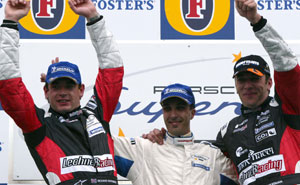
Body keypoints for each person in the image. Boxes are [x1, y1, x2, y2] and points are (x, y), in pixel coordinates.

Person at [144, 0, 300, 184]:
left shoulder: (286, 108)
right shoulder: (229, 130)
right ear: (235, 84)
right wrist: (165, 139)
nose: (247, 85)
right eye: (241, 80)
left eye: (254, 78)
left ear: (269, 82)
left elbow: (286, 63)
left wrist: (256, 21)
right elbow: (197, 155)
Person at [0, 0, 123, 185]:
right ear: (46, 91)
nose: (63, 93)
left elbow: (112, 72)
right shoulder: (39, 126)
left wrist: (93, 17)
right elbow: (9, 87)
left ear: (81, 90)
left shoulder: (96, 115)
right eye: (56, 87)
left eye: (69, 86)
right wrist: (10, 21)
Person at [113, 83, 238, 185]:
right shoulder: (144, 148)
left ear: (192, 113)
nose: (173, 115)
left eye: (180, 108)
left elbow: (248, 176)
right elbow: (100, 141)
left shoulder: (212, 155)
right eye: (167, 109)